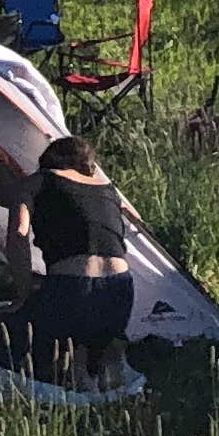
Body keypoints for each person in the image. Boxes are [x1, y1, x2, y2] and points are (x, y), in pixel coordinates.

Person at [19, 133, 134, 389]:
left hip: (72, 288)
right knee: (108, 354)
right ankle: (114, 390)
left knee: (69, 357)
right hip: (120, 288)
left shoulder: (37, 182)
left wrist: (22, 291)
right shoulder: (108, 188)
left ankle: (77, 378)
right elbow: (125, 227)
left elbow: (19, 232)